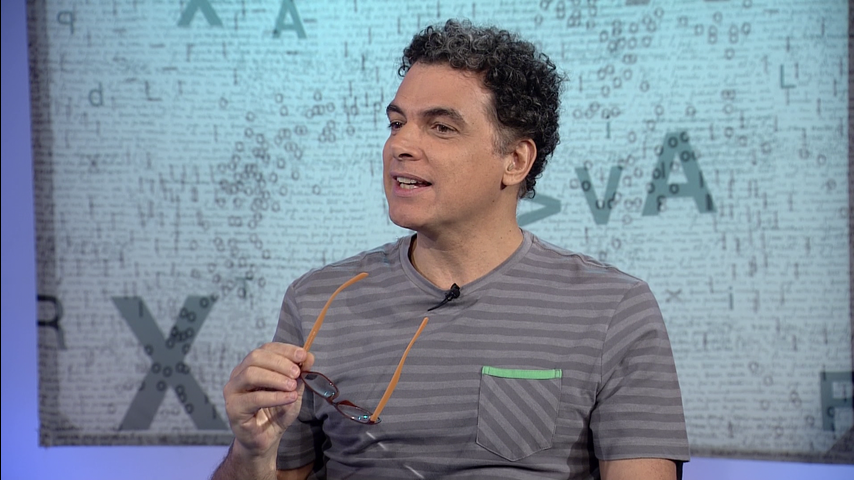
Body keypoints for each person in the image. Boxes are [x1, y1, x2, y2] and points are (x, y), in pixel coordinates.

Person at [212, 19, 690, 480]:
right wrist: (251, 455)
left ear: (515, 159)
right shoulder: (318, 300)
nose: (401, 145)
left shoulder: (613, 309)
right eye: (396, 123)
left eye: (440, 127)